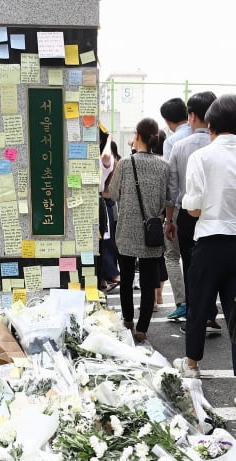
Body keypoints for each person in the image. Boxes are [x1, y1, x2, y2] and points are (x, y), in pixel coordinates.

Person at [177, 94, 236, 407]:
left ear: (211, 124)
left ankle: (191, 366)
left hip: (210, 240)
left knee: (200, 305)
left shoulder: (202, 157)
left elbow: (192, 208)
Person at [106, 118, 170, 343]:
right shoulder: (164, 166)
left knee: (126, 278)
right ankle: (143, 328)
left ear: (137, 136)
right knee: (148, 282)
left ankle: (128, 320)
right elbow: (165, 200)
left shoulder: (125, 164)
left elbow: (113, 194)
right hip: (151, 232)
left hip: (126, 231)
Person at [165, 91, 219, 330]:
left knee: (190, 264)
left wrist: (169, 220)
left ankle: (196, 314)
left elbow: (173, 188)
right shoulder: (220, 144)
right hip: (217, 213)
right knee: (214, 263)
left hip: (188, 214)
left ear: (192, 115)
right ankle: (210, 313)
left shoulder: (179, 145)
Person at [159, 97, 190, 316]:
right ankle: (201, 306)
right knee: (195, 257)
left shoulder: (173, 141)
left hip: (179, 206)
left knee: (171, 255)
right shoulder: (209, 136)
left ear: (168, 120)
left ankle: (181, 302)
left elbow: (171, 182)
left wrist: (168, 218)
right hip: (204, 209)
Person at [98, 132, 121, 291]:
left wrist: (109, 138)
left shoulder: (107, 160)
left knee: (105, 243)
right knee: (104, 243)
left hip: (104, 203)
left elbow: (106, 155)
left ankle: (114, 275)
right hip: (105, 203)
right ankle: (103, 280)